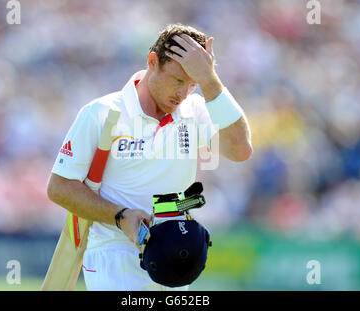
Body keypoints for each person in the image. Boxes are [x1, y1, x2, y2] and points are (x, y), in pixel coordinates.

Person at [46, 24, 252, 291]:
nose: (183, 93)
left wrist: (210, 80)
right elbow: (59, 187)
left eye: (193, 84)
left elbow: (241, 150)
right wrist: (121, 216)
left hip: (174, 257)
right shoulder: (101, 112)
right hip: (114, 256)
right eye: (178, 80)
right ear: (152, 62)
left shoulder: (197, 111)